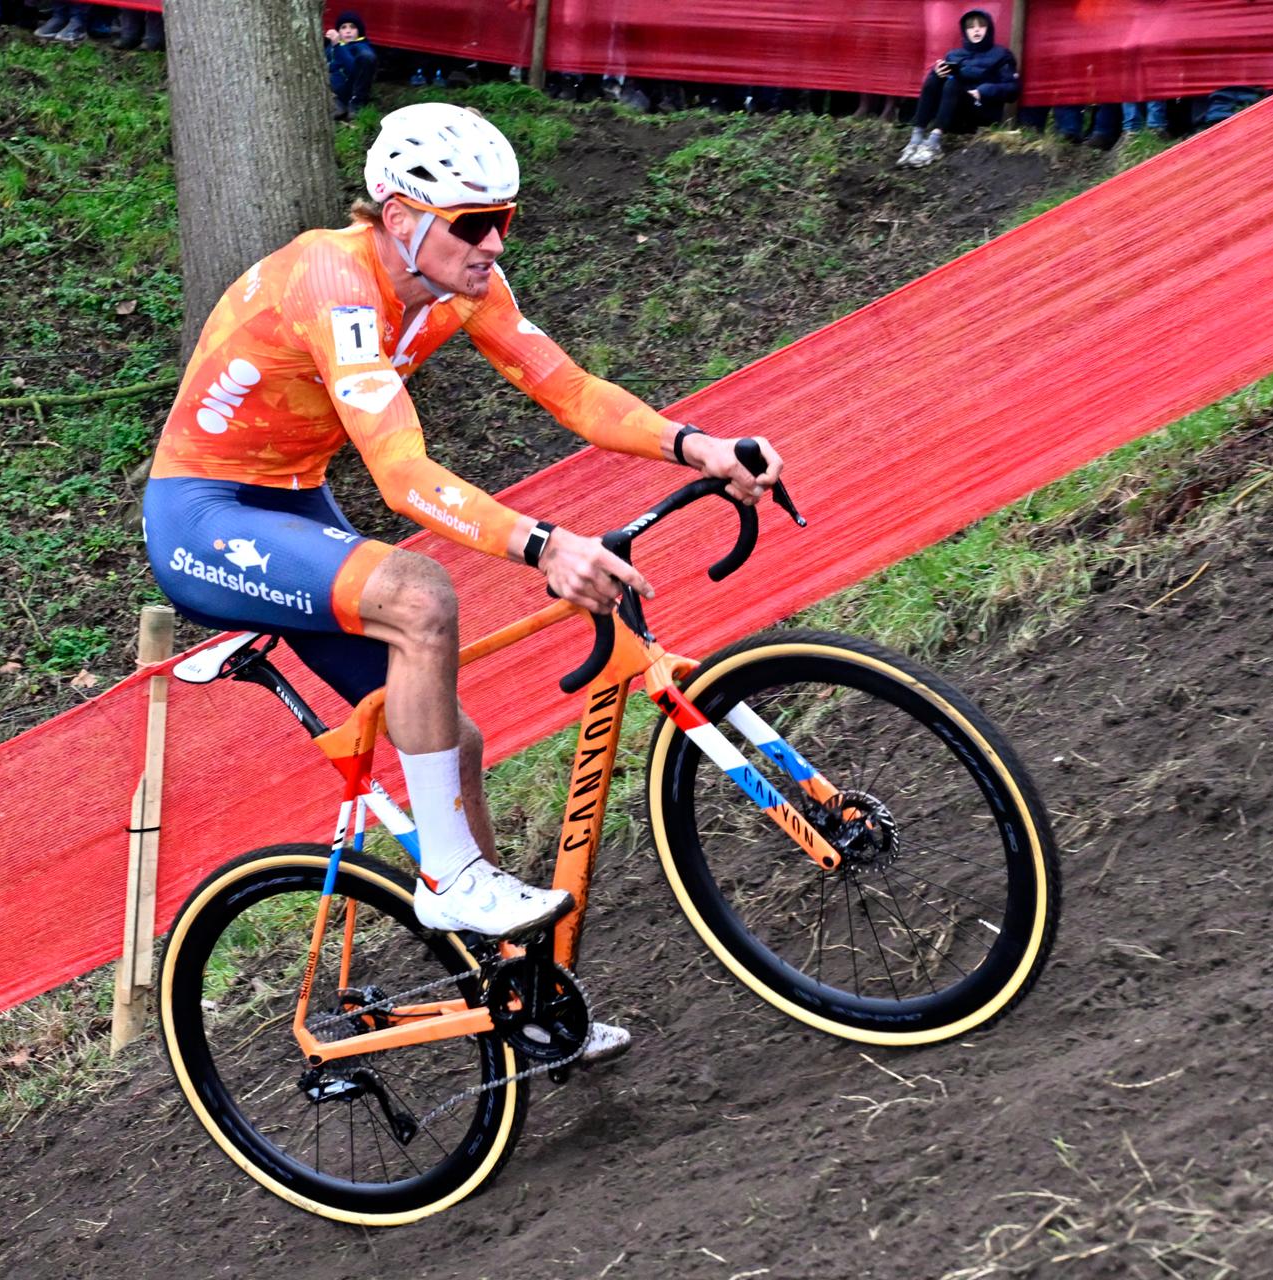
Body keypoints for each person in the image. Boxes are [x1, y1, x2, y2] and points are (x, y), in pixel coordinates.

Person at [143, 104, 782, 965]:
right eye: (474, 223)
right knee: (420, 594)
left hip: (293, 501)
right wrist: (547, 545)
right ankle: (451, 881)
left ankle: (516, 987)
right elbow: (403, 478)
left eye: (505, 220)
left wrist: (698, 446)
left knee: (453, 737)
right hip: (205, 516)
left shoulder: (456, 288)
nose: (495, 244)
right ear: (400, 218)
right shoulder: (331, 281)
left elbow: (573, 393)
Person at [898, 9, 1017, 168]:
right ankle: (916, 139)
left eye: (981, 26)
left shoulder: (1002, 55)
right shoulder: (954, 55)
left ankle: (933, 143)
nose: (976, 30)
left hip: (981, 110)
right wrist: (937, 73)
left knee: (953, 84)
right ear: (964, 30)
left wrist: (984, 91)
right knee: (933, 80)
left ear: (989, 29)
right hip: (954, 112)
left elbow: (1012, 89)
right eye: (971, 26)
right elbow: (937, 86)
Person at [325, 11, 379, 121]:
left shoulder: (361, 47)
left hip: (349, 89)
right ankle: (337, 107)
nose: (348, 31)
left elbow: (352, 68)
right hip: (332, 92)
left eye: (352, 27)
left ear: (359, 31)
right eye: (343, 27)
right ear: (338, 31)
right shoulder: (331, 47)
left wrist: (338, 46)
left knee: (366, 58)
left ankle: (355, 105)